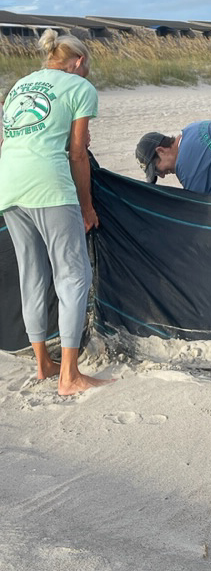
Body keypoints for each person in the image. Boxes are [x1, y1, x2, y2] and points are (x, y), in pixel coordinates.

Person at [0, 29, 112, 395]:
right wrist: (87, 206)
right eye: (86, 69)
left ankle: (43, 365)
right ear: (78, 62)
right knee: (73, 276)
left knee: (31, 272)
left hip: (9, 184)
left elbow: (17, 137)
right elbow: (77, 154)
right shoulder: (79, 88)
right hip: (48, 184)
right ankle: (70, 375)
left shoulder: (20, 85)